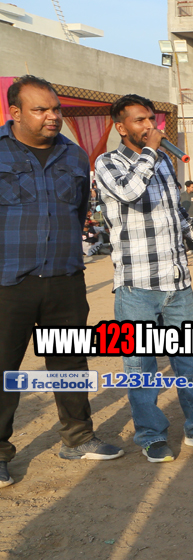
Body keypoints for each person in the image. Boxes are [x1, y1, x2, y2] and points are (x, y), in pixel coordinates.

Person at [0, 77, 125, 486]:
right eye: (41, 110)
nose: (52, 116)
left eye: (55, 109)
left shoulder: (74, 155)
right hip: (8, 284)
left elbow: (78, 211)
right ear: (15, 113)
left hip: (64, 280)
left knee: (69, 363)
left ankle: (78, 438)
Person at [95, 94, 193, 463]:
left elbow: (176, 212)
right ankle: (151, 435)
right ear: (120, 127)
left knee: (191, 360)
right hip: (137, 286)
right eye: (139, 120)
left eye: (151, 119)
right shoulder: (108, 164)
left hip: (177, 283)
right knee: (141, 365)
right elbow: (129, 192)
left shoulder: (161, 162)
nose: (149, 126)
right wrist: (150, 153)